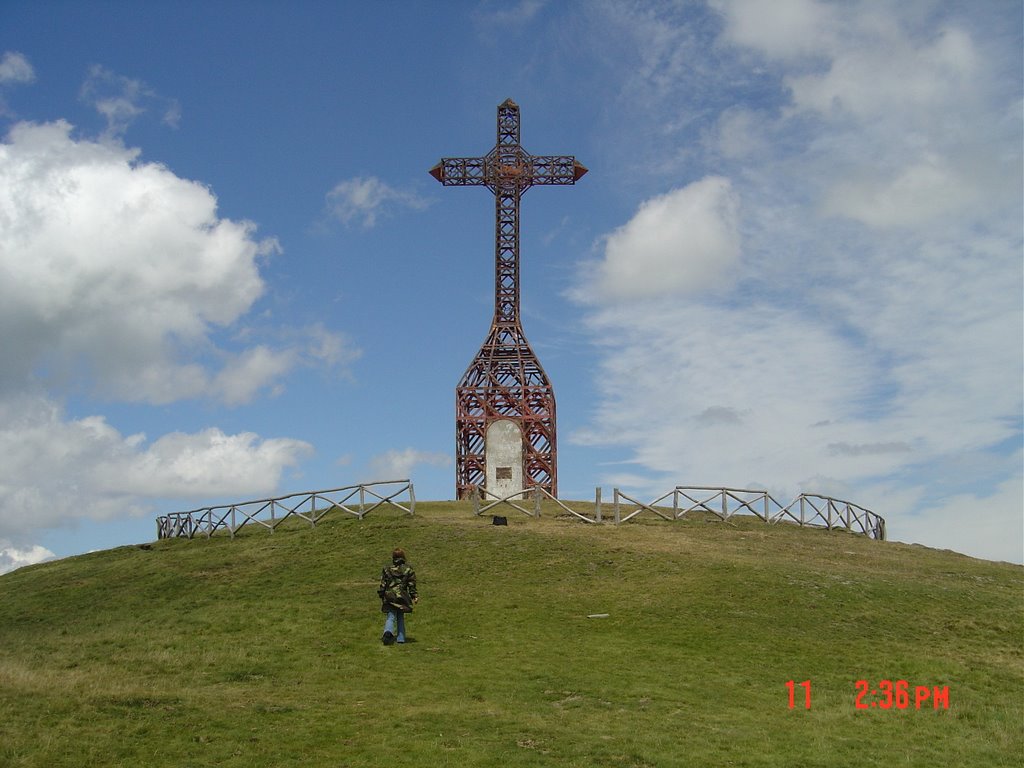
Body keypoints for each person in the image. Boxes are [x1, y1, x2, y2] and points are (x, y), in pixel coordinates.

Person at [377, 547, 418, 645]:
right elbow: (411, 584)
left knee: (390, 616)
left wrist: (382, 593)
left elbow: (383, 583)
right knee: (400, 616)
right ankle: (401, 638)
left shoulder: (387, 568)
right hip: (402, 596)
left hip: (390, 595)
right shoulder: (408, 569)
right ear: (403, 556)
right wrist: (414, 595)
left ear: (393, 557)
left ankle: (388, 632)